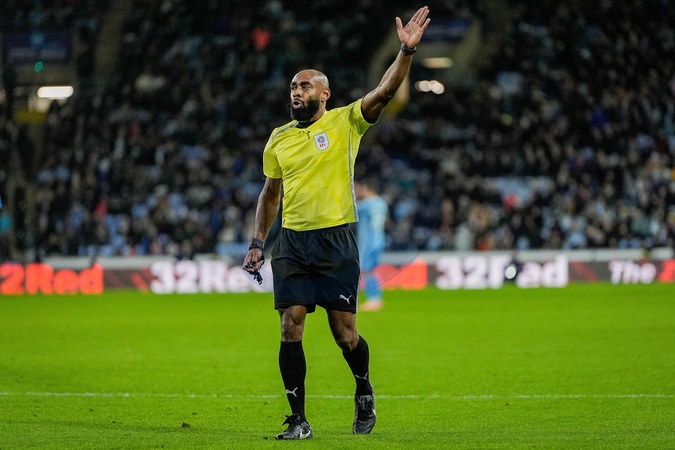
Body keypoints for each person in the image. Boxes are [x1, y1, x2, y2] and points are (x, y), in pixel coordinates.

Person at [242, 5, 430, 440]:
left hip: (336, 241)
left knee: (345, 335)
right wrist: (257, 243)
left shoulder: (347, 121)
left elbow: (385, 90)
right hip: (292, 244)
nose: (296, 91)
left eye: (304, 85)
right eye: (293, 86)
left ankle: (363, 389)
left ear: (324, 93)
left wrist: (405, 52)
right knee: (290, 325)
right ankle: (298, 420)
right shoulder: (278, 138)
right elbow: (270, 194)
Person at [355, 179, 389, 311]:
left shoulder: (365, 205)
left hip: (368, 241)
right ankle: (375, 298)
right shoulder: (381, 203)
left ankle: (374, 299)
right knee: (370, 269)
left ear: (366, 189)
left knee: (366, 269)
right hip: (379, 238)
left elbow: (348, 210)